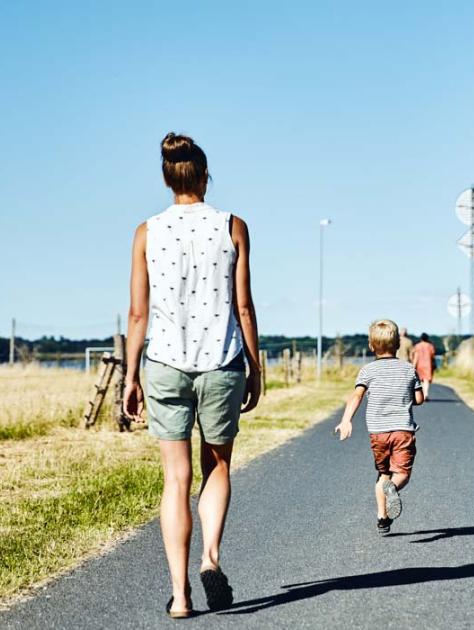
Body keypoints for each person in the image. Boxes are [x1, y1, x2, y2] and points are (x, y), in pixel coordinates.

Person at [123, 132, 261, 618]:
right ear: (205, 176)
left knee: (175, 479)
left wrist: (130, 378)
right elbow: (243, 306)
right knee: (216, 467)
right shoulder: (233, 226)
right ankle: (211, 557)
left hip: (163, 363)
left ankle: (180, 596)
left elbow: (138, 314)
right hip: (221, 362)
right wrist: (255, 367)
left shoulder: (146, 232)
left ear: (167, 178)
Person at [335, 319, 424, 535]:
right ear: (398, 345)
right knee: (401, 473)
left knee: (383, 474)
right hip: (403, 429)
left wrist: (346, 419)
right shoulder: (408, 369)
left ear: (371, 346)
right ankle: (393, 489)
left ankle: (382, 518)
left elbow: (357, 395)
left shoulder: (367, 371)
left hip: (378, 432)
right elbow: (419, 399)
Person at [413, 333, 436, 400]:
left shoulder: (417, 346)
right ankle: (426, 394)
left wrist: (413, 365)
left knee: (421, 380)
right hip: (428, 364)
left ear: (421, 338)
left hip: (419, 365)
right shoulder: (430, 346)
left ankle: (423, 394)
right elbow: (433, 355)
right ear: (427, 338)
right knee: (426, 380)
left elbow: (415, 356)